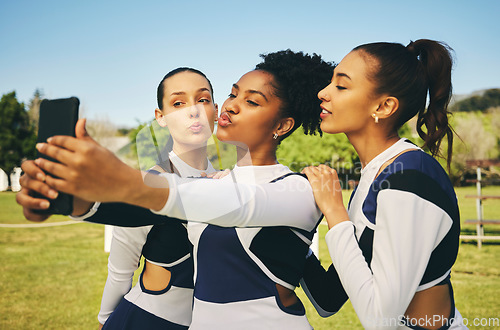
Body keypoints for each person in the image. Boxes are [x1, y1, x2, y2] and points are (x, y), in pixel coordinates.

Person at [18, 50, 334, 329]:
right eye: (233, 94)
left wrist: (356, 215)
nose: (232, 106)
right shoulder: (217, 183)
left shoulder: (296, 188)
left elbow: (324, 295)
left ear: (282, 126)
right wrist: (70, 200)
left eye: (251, 101)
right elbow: (148, 212)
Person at [301, 39, 466, 329]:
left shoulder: (410, 179)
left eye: (341, 86)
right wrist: (285, 226)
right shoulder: (374, 176)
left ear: (384, 105)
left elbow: (381, 320)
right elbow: (327, 298)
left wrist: (335, 213)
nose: (323, 93)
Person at [97, 67, 217, 329]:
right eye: (178, 103)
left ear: (216, 111)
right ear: (161, 117)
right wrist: (105, 321)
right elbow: (120, 273)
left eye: (203, 99)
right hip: (144, 320)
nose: (193, 110)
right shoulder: (147, 186)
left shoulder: (227, 182)